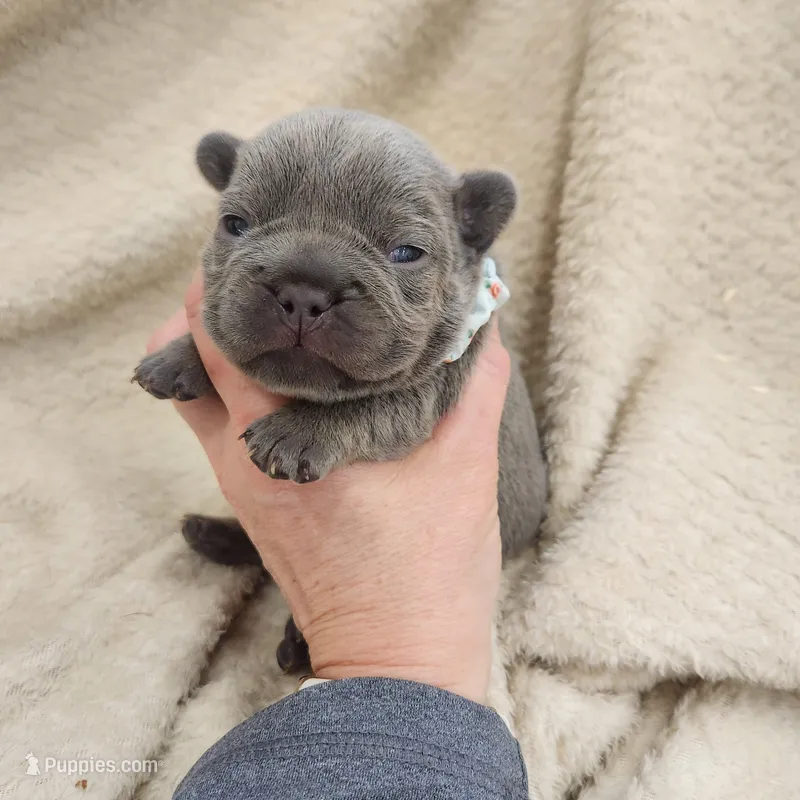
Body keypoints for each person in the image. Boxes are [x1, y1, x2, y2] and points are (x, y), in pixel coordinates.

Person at [150, 273, 529, 799]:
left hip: (479, 528)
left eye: (402, 254)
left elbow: (408, 411)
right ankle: (271, 552)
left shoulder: (458, 317)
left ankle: (306, 596)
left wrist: (376, 645)